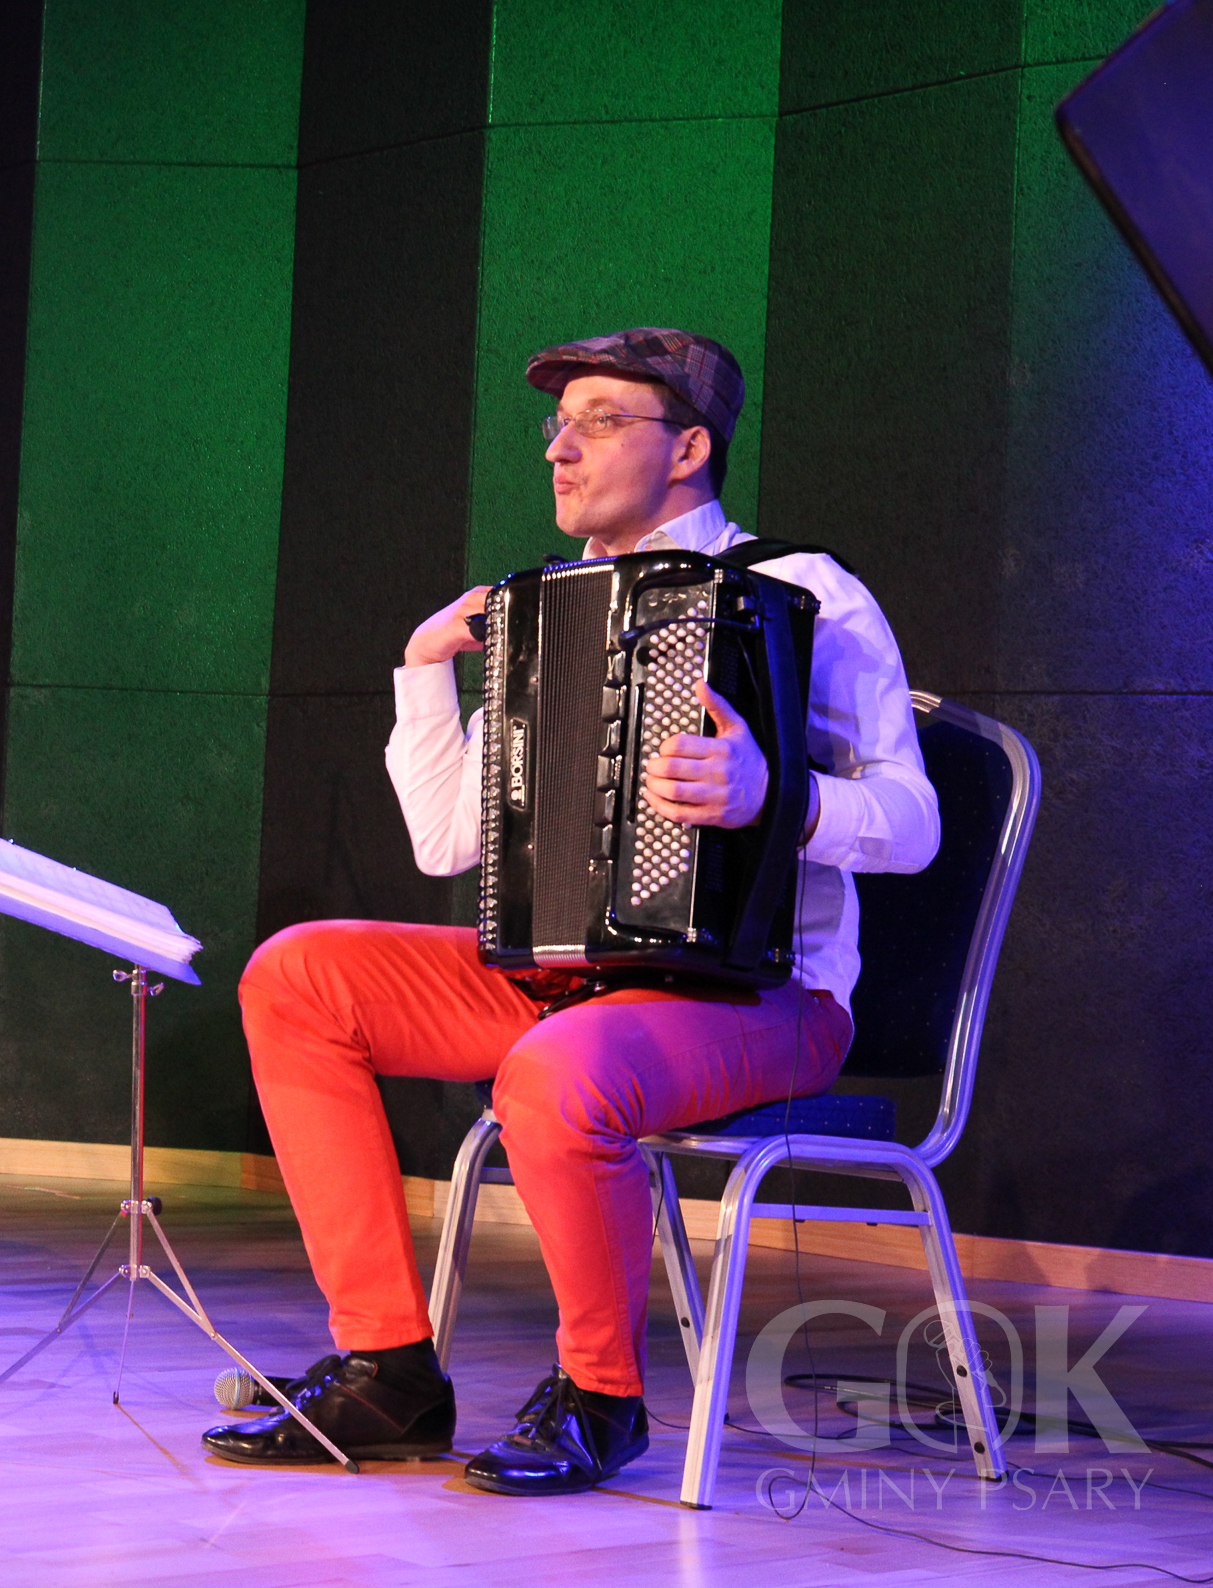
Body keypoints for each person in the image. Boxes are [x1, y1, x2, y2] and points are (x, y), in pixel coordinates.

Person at [202, 328, 935, 1492]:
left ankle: (601, 1396)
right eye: (558, 424)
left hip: (764, 998)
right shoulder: (547, 612)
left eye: (599, 420)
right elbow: (446, 844)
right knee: (298, 976)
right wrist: (422, 670)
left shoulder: (807, 593)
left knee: (555, 1069)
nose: (558, 449)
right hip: (564, 983)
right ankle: (387, 1371)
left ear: (688, 448)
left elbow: (915, 822)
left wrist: (775, 796)